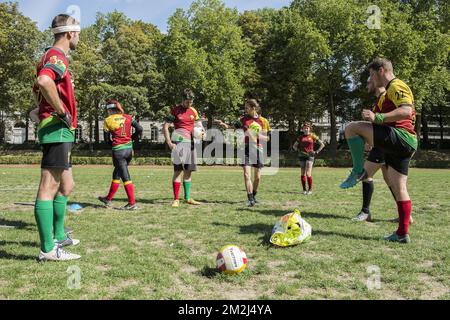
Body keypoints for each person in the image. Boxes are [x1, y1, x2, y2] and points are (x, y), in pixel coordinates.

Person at [340, 57, 417, 243]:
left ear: (381, 70)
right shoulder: (388, 91)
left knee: (351, 128)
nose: (372, 80)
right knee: (399, 188)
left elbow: (406, 111)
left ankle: (358, 170)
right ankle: (402, 233)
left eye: (372, 75)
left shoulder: (396, 85)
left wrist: (377, 117)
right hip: (404, 143)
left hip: (401, 137)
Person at [32, 14, 81, 261]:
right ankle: (48, 249)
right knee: (48, 187)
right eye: (78, 34)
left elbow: (39, 92)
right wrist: (62, 111)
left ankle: (58, 235)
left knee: (66, 186)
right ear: (70, 33)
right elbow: (44, 81)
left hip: (58, 129)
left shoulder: (49, 56)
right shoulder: (56, 56)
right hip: (56, 128)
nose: (79, 38)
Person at [353, 77, 414, 224]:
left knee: (365, 175)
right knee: (391, 181)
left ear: (376, 82)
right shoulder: (380, 101)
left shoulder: (387, 96)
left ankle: (365, 212)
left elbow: (398, 117)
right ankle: (405, 217)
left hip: (389, 143)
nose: (367, 84)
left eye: (369, 81)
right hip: (387, 144)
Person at [215, 99, 271, 207]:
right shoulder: (243, 119)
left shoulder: (264, 121)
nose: (245, 110)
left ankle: (254, 195)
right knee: (246, 174)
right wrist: (223, 124)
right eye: (244, 108)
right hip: (246, 149)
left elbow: (267, 138)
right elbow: (232, 127)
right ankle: (250, 199)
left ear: (253, 108)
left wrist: (257, 135)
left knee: (258, 177)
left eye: (247, 108)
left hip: (258, 149)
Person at [98, 100, 143, 210]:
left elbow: (106, 140)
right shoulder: (127, 117)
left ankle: (132, 203)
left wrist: (112, 145)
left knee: (125, 176)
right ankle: (108, 199)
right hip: (129, 150)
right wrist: (132, 137)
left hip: (118, 151)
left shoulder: (108, 120)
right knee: (116, 173)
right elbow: (140, 129)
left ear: (109, 110)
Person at [163, 89, 204, 208]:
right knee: (177, 171)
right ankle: (176, 199)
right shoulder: (175, 110)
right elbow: (165, 127)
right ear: (182, 100)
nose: (189, 104)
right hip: (178, 143)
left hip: (190, 144)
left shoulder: (193, 111)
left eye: (191, 102)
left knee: (188, 171)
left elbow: (198, 126)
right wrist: (170, 143)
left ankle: (187, 198)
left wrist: (201, 132)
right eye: (187, 102)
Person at [293, 122, 325, 195]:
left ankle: (310, 190)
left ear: (309, 129)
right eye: (304, 128)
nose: (306, 129)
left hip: (310, 156)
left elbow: (322, 145)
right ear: (303, 129)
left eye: (307, 128)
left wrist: (316, 152)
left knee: (308, 173)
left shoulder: (312, 136)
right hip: (302, 156)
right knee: (302, 173)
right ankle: (304, 190)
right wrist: (298, 151)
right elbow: (294, 146)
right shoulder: (300, 137)